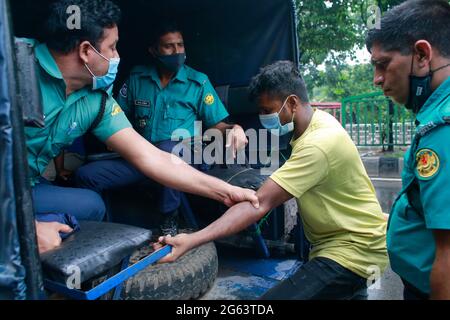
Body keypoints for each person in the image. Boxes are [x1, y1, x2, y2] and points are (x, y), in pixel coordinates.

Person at [28, 0, 258, 254]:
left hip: (179, 154)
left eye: (179, 45)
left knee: (93, 205)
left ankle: (161, 225)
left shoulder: (97, 101)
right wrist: (28, 228)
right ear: (86, 51)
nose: (117, 57)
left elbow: (153, 158)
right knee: (85, 178)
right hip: (12, 194)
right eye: (112, 48)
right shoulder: (14, 70)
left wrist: (227, 191)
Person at [156, 61, 388, 300]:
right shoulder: (317, 122)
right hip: (352, 244)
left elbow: (259, 203)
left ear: (293, 102)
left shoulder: (318, 143)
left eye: (268, 110)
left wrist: (192, 240)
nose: (263, 117)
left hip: (351, 253)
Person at [74, 21, 248, 236]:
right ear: (154, 51)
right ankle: (98, 233)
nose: (177, 52)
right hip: (145, 157)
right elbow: (116, 117)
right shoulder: (138, 79)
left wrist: (236, 128)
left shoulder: (198, 82)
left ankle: (169, 220)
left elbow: (219, 125)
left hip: (186, 156)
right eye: (169, 46)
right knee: (87, 175)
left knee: (169, 150)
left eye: (180, 45)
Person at [366, 0, 450, 300]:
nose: (377, 79)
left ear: (422, 55)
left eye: (383, 64)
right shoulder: (435, 112)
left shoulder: (442, 128)